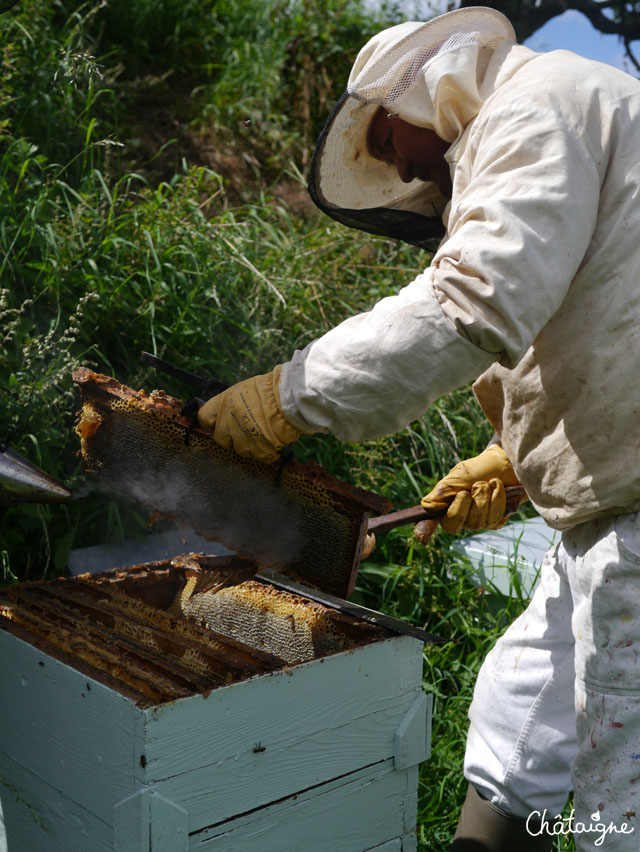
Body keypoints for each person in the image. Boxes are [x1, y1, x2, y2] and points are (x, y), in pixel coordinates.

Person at [196, 7, 640, 850]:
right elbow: (606, 311)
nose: (393, 162)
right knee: (520, 726)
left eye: (386, 137)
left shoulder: (537, 102)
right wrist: (511, 459)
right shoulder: (570, 109)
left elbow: (474, 302)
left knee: (624, 807)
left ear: (420, 89)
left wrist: (281, 400)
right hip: (611, 509)